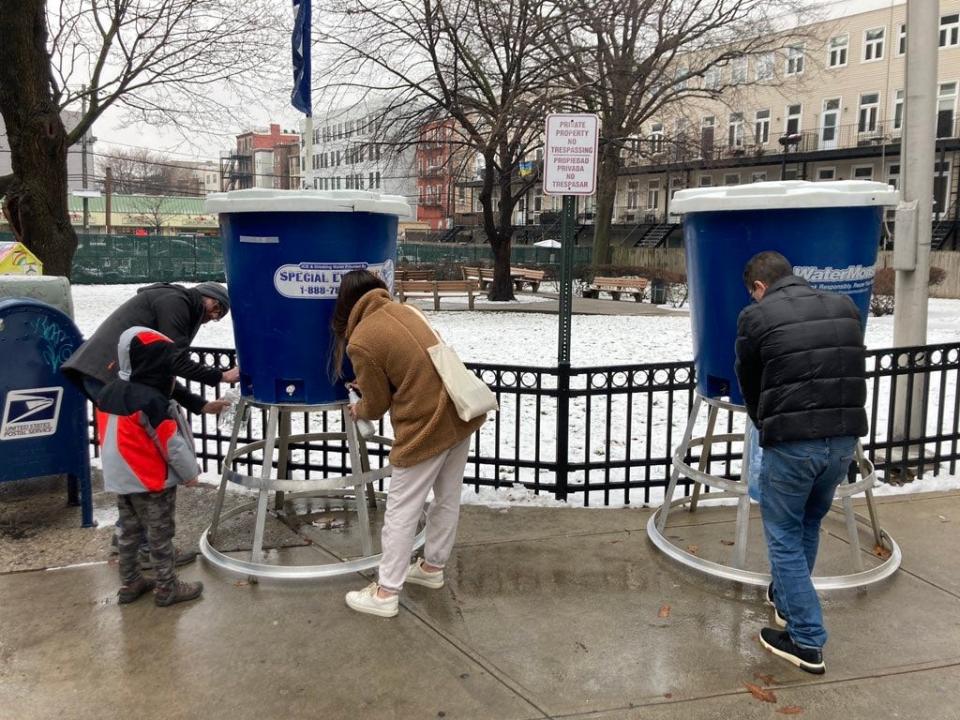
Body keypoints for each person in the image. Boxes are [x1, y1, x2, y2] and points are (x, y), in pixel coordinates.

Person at [734, 251, 867, 675]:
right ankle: (787, 602)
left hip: (793, 445)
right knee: (808, 524)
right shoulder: (843, 307)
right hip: (842, 440)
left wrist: (763, 421)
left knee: (785, 535)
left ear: (758, 287)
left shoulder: (755, 318)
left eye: (753, 293)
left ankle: (806, 639)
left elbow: (749, 381)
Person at [332, 270, 486, 618]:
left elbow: (377, 404)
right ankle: (432, 568)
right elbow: (419, 362)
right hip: (460, 415)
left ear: (344, 304)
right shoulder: (407, 311)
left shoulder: (360, 340)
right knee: (447, 498)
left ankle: (385, 592)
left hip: (425, 426)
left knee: (402, 509)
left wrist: (359, 406)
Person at [62, 281, 238, 564]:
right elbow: (173, 362)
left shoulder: (171, 304)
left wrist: (199, 404)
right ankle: (147, 551)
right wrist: (220, 376)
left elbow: (160, 369)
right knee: (144, 466)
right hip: (108, 376)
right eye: (216, 310)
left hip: (106, 378)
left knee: (135, 467)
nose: (212, 318)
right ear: (209, 299)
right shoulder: (177, 302)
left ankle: (127, 541)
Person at [96, 326, 204, 606]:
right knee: (160, 536)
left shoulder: (108, 392)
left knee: (128, 534)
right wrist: (190, 474)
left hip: (121, 479)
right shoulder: (151, 400)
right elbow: (171, 444)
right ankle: (167, 588)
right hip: (150, 481)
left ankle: (130, 583)